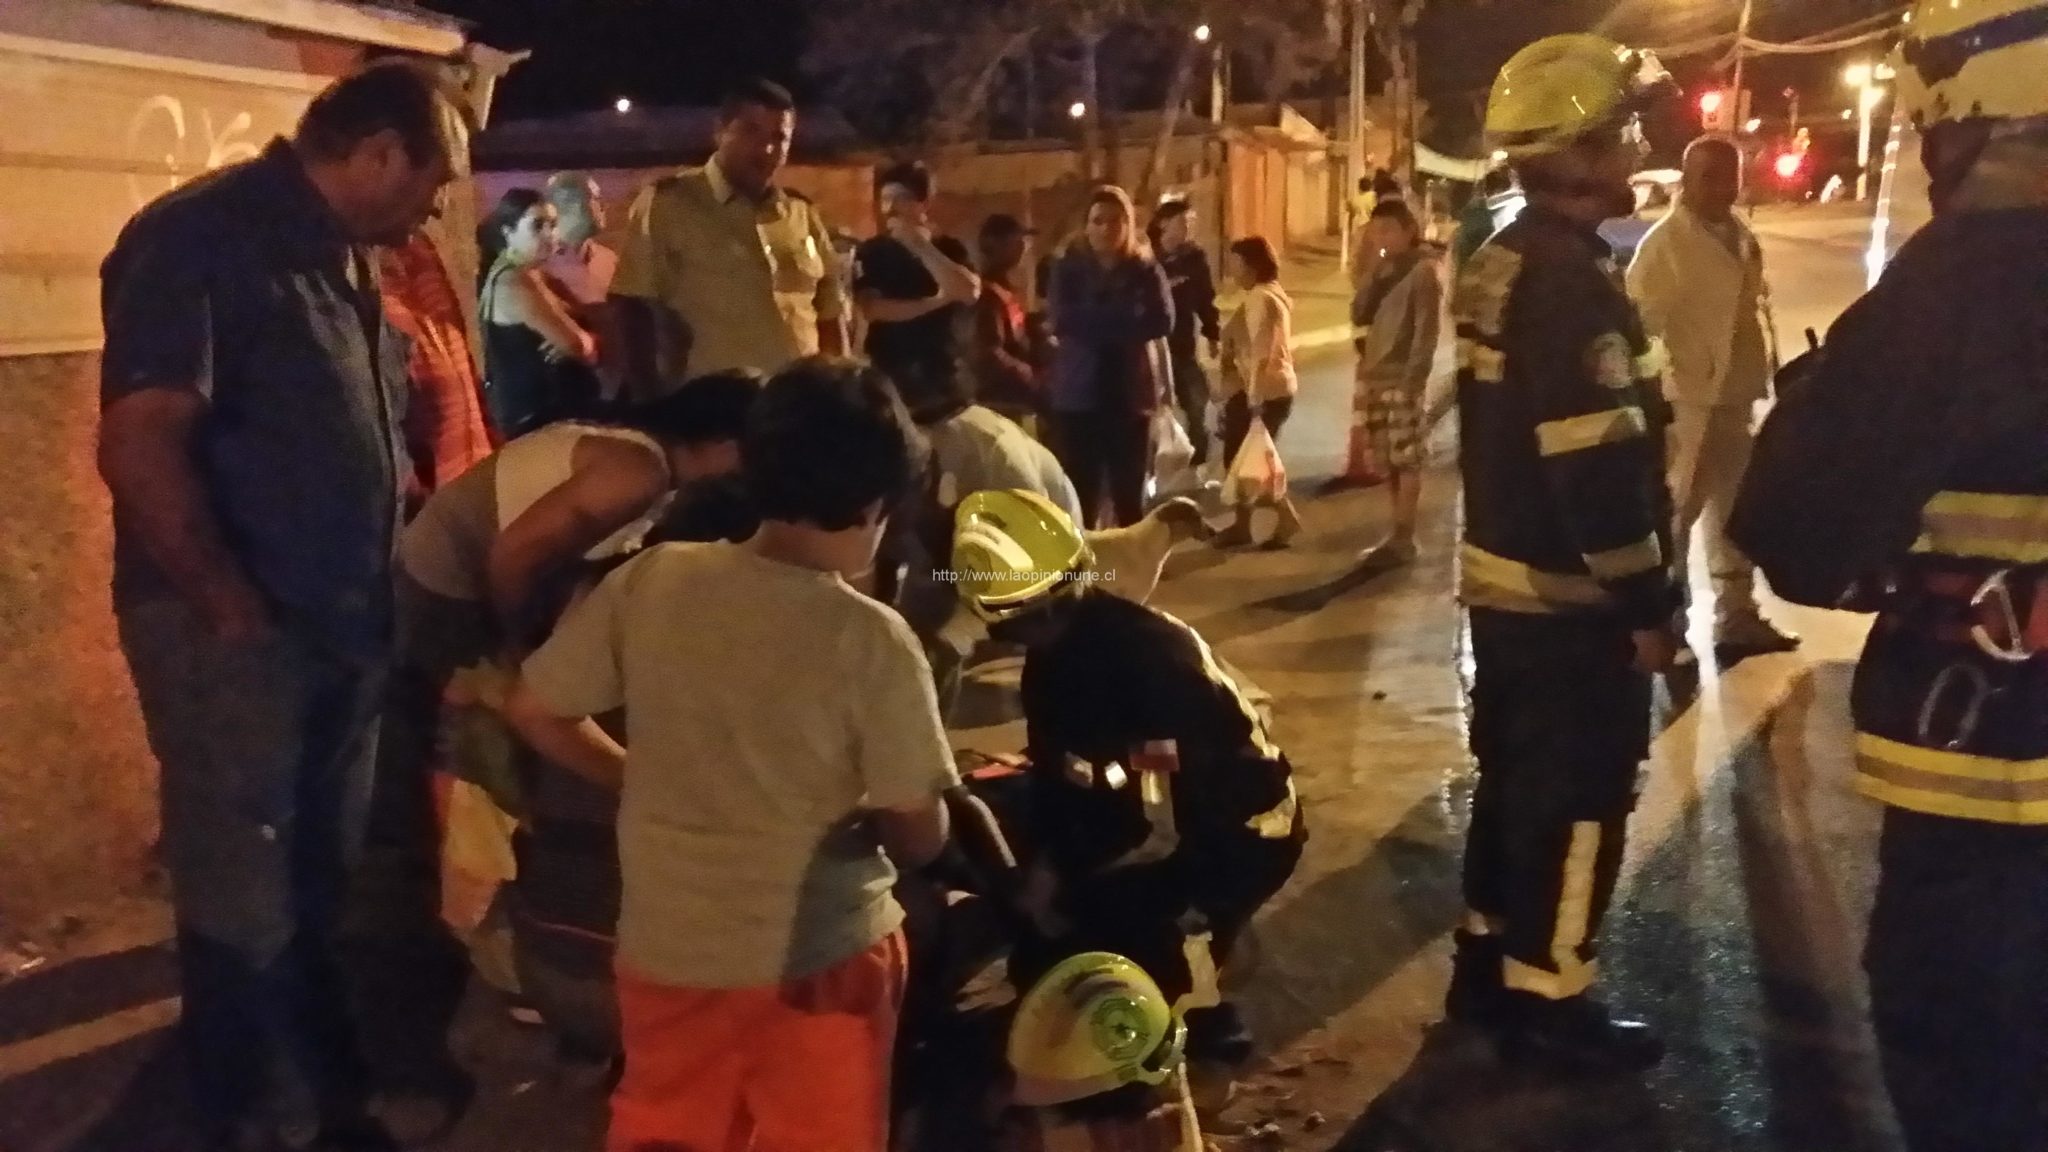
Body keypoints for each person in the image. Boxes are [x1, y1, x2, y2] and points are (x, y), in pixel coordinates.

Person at [97, 60, 465, 1152]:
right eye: (430, 182)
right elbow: (138, 440)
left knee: (315, 883)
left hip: (337, 629)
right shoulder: (200, 237)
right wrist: (225, 604)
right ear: (379, 153)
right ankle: (258, 1117)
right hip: (239, 633)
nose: (434, 209)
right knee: (243, 893)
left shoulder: (344, 259)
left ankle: (308, 1096)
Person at [503, 357, 955, 1151]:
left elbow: (535, 708)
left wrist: (636, 776)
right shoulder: (871, 639)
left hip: (666, 948)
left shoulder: (658, 578)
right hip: (820, 955)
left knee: (672, 1127)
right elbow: (915, 826)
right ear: (877, 505)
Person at [1791, 4, 2048, 1146]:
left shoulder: (1956, 283)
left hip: (1980, 759)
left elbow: (1793, 521)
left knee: (1959, 1054)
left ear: (1973, 125)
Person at [1445, 34, 1680, 1073]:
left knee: (1510, 784)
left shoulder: (1500, 254)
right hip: (1569, 603)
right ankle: (1552, 1002)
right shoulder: (1572, 283)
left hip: (1505, 593)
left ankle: (1487, 966)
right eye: (1618, 128)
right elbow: (1594, 466)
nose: (1634, 144)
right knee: (1579, 796)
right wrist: (1643, 604)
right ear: (1575, 145)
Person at [951, 488, 1305, 1111]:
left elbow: (1163, 829)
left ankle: (1209, 1035)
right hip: (1149, 814)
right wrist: (1045, 871)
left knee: (1152, 925)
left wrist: (1062, 876)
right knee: (1047, 956)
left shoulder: (1146, 665)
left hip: (1236, 831)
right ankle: (1208, 944)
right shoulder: (1055, 661)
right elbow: (1063, 777)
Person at [1627, 136, 1800, 665]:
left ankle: (1736, 615)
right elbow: (1639, 326)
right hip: (1689, 399)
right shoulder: (1665, 245)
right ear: (1687, 178)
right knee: (1677, 514)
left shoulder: (1740, 237)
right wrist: (1660, 388)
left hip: (1735, 393)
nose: (1722, 188)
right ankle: (1669, 621)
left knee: (1735, 511)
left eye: (1729, 176)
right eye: (1708, 177)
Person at [610, 78, 848, 398]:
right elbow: (632, 305)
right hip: (713, 412)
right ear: (720, 131)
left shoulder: (800, 214)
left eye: (780, 138)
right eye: (751, 131)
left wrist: (844, 395)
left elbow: (829, 315)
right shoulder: (670, 204)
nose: (766, 149)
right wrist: (649, 401)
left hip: (797, 409)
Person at [1045, 185, 1175, 529]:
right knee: (1080, 496)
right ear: (1085, 226)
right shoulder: (1068, 269)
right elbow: (1062, 320)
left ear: (1128, 225)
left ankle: (1126, 576)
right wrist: (1126, 320)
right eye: (1097, 221)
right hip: (1078, 398)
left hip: (1130, 398)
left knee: (1128, 497)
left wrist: (1096, 322)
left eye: (1115, 221)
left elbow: (1162, 320)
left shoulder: (1144, 270)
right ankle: (1082, 576)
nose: (1106, 229)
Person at [1351, 201, 1445, 568]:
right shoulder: (1383, 270)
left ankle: (1405, 537)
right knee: (1388, 459)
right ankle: (1396, 533)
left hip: (1401, 378)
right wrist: (1370, 270)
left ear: (1409, 230)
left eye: (1389, 229)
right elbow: (1358, 313)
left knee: (1407, 460)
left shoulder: (1423, 272)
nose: (1382, 237)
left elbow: (1426, 333)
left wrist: (1412, 382)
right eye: (1376, 230)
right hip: (1374, 375)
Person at [854, 161, 982, 422]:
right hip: (892, 380)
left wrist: (919, 245)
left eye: (900, 199)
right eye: (884, 199)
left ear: (924, 203)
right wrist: (938, 300)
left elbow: (969, 291)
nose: (890, 208)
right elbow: (874, 309)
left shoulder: (948, 247)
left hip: (945, 381)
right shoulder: (873, 252)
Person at [380, 229, 496, 507]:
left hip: (468, 486)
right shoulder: (335, 277)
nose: (439, 203)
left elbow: (461, 370)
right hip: (420, 518)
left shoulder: (416, 247)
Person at [478, 188, 603, 436]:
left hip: (547, 419)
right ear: (508, 232)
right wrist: (587, 340)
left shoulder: (530, 274)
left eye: (553, 224)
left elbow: (585, 326)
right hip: (537, 424)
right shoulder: (514, 281)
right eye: (537, 226)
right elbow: (577, 345)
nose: (550, 234)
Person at [1211, 237, 1304, 550]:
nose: (1232, 270)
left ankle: (1284, 519)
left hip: (1263, 391)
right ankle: (1242, 524)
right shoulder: (1271, 293)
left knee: (1251, 463)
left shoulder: (1259, 299)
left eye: (1237, 263)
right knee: (1246, 460)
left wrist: (1253, 398)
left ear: (1252, 266)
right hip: (1276, 389)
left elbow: (1261, 352)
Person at [1151, 200, 1222, 475]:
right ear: (1163, 224)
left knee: (1196, 404)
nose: (1188, 227)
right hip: (1153, 349)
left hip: (1183, 345)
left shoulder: (1194, 258)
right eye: (1183, 222)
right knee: (1153, 409)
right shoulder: (1147, 259)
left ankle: (1198, 464)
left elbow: (1205, 296)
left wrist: (1212, 331)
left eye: (1191, 222)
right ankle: (1154, 464)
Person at [971, 213, 1044, 431]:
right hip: (998, 404)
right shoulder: (985, 294)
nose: (1023, 247)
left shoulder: (1003, 289)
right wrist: (1031, 377)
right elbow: (988, 352)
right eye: (1017, 239)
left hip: (1012, 399)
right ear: (995, 245)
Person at [1453, 167, 1514, 270]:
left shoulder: (1473, 208)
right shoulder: (1501, 212)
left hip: (1463, 265)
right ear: (1500, 191)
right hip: (1477, 269)